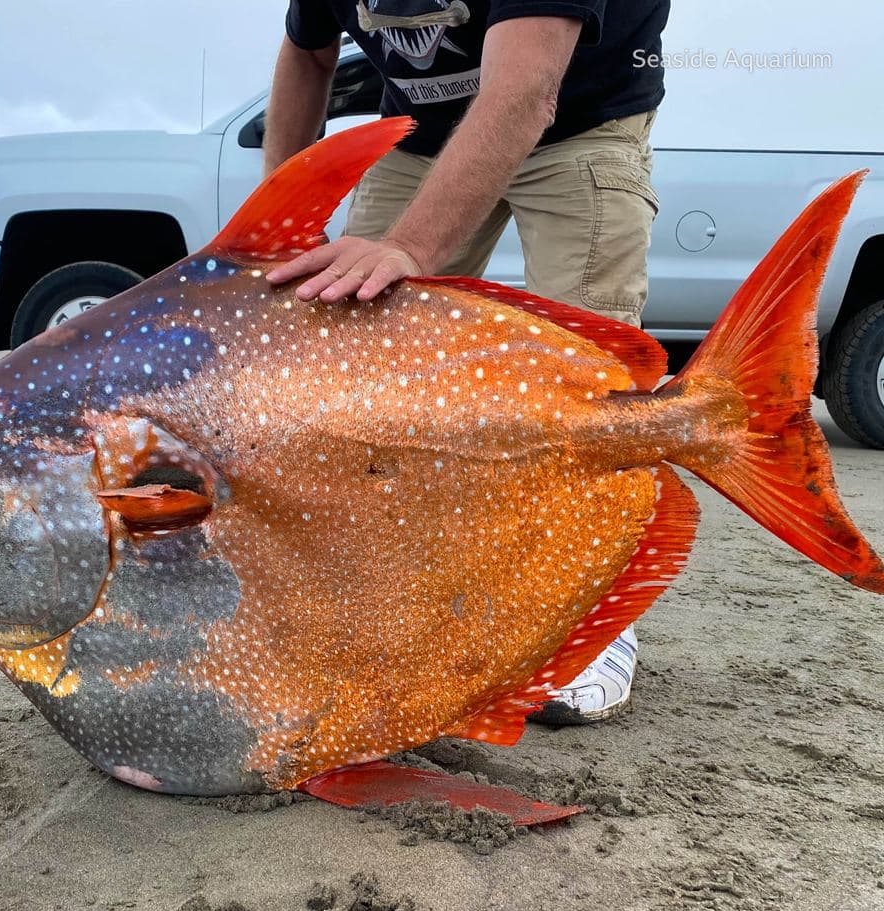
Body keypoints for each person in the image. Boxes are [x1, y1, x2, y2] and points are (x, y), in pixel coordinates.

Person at [263, 0, 671, 720]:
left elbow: (525, 91)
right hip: (426, 138)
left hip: (581, 114)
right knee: (350, 365)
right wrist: (280, 217)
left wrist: (410, 249)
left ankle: (590, 622)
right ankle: (394, 605)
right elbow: (308, 54)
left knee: (587, 378)